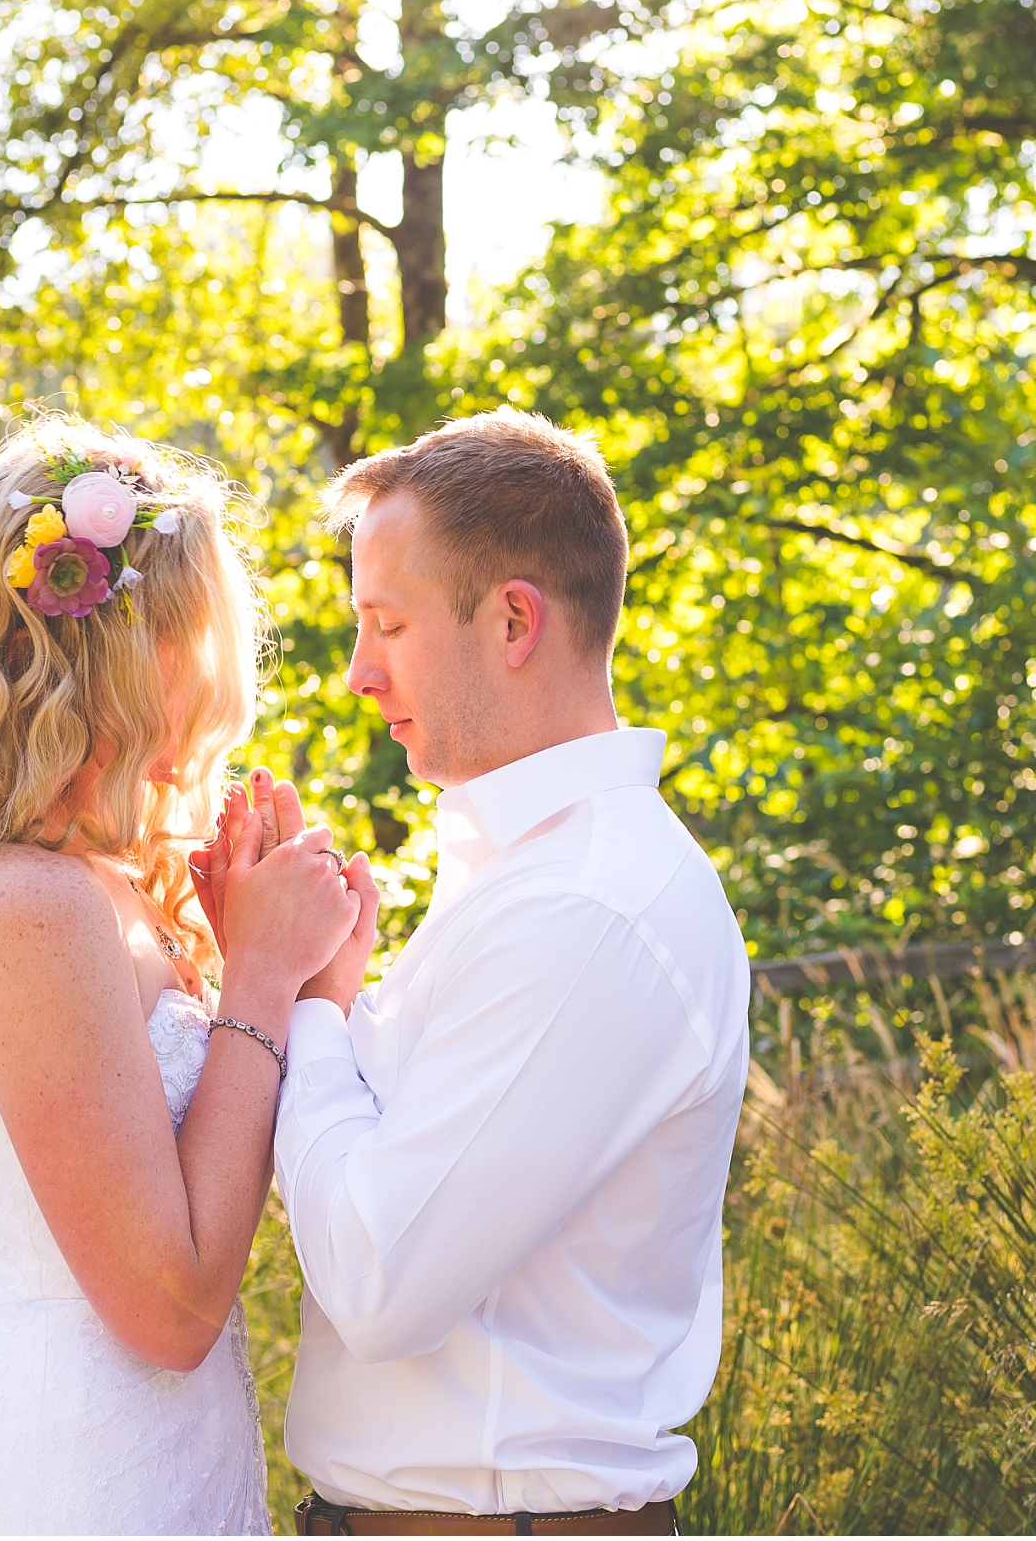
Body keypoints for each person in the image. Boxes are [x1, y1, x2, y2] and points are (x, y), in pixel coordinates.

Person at [0, 416, 362, 1535]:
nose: (212, 676)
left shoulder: (112, 893)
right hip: (64, 1484)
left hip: (163, 1470)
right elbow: (172, 1304)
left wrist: (305, 981)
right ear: (117, 652)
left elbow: (237, 1183)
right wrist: (258, 991)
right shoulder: (21, 909)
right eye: (190, 633)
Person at [191, 411, 749, 1534]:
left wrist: (312, 1007)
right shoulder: (523, 878)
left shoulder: (586, 909)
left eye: (386, 625)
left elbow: (381, 1281)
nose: (357, 673)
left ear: (511, 621)